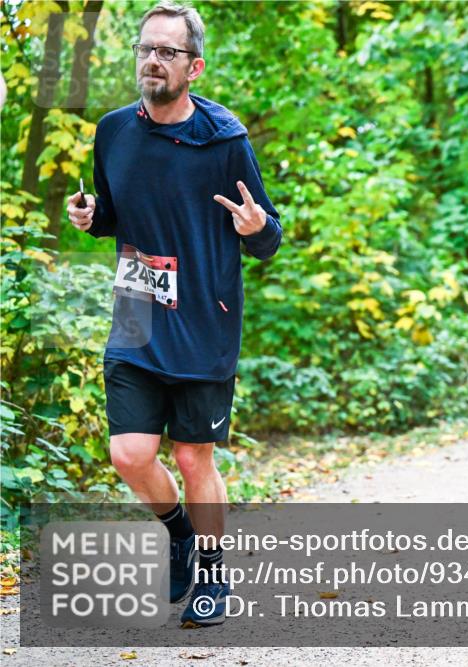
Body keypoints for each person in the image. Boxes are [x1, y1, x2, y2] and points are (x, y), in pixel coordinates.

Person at [66, 2, 282, 627]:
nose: (153, 60)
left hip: (204, 321)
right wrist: (90, 219)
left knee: (194, 458)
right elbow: (111, 213)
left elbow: (268, 237)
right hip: (137, 310)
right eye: (145, 48)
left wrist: (256, 225)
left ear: (195, 66)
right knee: (130, 454)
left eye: (167, 51)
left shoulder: (224, 140)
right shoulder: (112, 130)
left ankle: (213, 574)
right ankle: (182, 535)